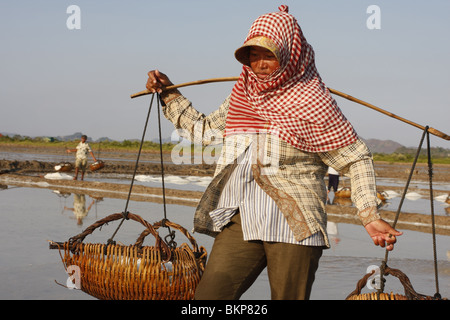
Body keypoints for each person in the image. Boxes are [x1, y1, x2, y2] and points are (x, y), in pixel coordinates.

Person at [145, 5, 402, 300]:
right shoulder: (242, 95)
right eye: (253, 54)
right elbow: (204, 131)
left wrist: (369, 215)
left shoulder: (313, 102)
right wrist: (169, 93)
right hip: (242, 217)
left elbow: (356, 158)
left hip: (296, 223)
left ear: (290, 55)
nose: (259, 63)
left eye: (269, 54)